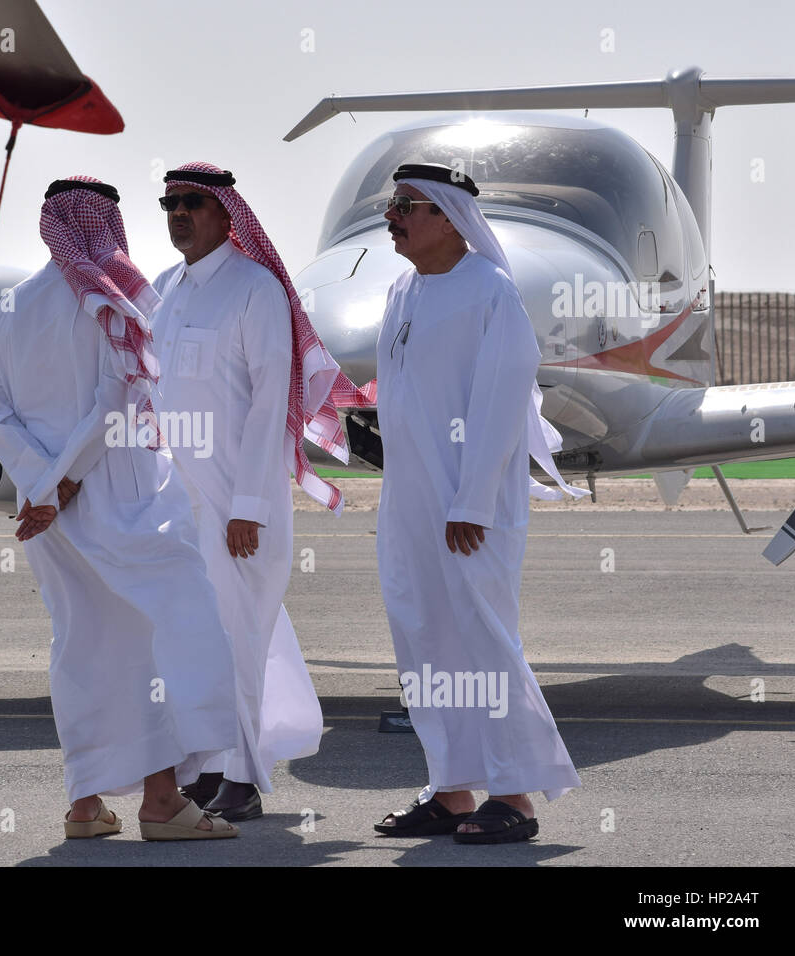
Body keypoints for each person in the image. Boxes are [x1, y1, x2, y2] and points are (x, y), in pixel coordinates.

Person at [0, 175, 242, 841]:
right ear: (103, 224)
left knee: (84, 647)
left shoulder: (8, 309)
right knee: (167, 639)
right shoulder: (110, 300)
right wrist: (66, 483)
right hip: (126, 500)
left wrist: (42, 486)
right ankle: (161, 802)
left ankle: (86, 805)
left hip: (50, 520)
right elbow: (117, 399)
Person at [149, 162, 376, 820]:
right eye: (170, 204)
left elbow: (267, 402)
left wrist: (248, 507)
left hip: (239, 503)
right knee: (193, 637)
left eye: (193, 202)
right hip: (179, 502)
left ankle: (244, 775)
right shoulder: (167, 290)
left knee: (242, 635)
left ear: (227, 214)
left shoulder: (256, 291)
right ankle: (207, 766)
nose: (180, 213)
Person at [369, 162, 588, 844]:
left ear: (447, 216)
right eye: (393, 204)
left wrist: (471, 502)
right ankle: (451, 789)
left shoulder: (490, 291)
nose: (393, 215)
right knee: (424, 641)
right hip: (408, 506)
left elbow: (500, 407)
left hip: (472, 510)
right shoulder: (402, 289)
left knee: (483, 643)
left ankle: (515, 796)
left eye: (408, 205)